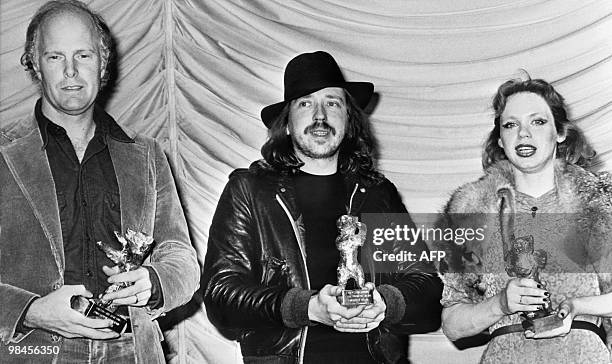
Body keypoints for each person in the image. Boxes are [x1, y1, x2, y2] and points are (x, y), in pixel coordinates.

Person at [202, 51, 443, 364]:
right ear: (286, 123)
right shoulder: (249, 190)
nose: (320, 115)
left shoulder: (377, 194)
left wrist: (386, 303)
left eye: (332, 102)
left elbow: (428, 288)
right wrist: (306, 307)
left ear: (348, 119)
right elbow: (221, 295)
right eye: (305, 103)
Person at [0, 1, 199, 363]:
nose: (71, 71)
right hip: (33, 350)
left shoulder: (148, 154)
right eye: (55, 57)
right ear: (35, 65)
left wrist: (154, 282)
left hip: (133, 352)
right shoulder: (3, 153)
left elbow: (182, 259)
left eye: (84, 55)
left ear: (103, 62)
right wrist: (29, 310)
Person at [438, 77, 612, 363]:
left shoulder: (599, 202)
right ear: (499, 140)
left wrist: (577, 307)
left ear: (560, 133)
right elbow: (453, 325)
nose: (523, 134)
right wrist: (500, 304)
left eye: (538, 122)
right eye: (511, 125)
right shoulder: (471, 214)